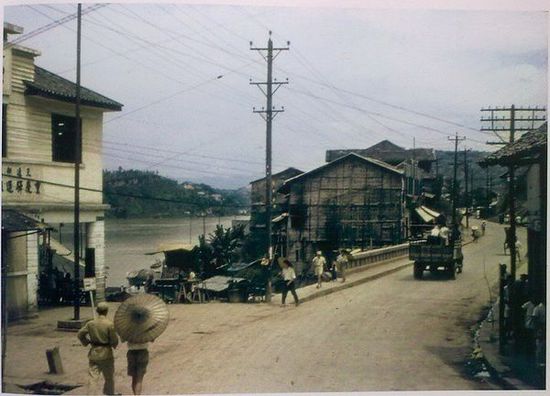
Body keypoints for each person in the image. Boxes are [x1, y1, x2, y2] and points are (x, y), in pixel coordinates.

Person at [77, 302, 119, 395]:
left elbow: (80, 334)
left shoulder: (90, 323)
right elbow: (114, 340)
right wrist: (114, 344)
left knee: (93, 377)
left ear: (97, 311)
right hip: (106, 353)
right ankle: (109, 393)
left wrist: (86, 342)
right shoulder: (109, 324)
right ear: (106, 311)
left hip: (94, 352)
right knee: (109, 377)